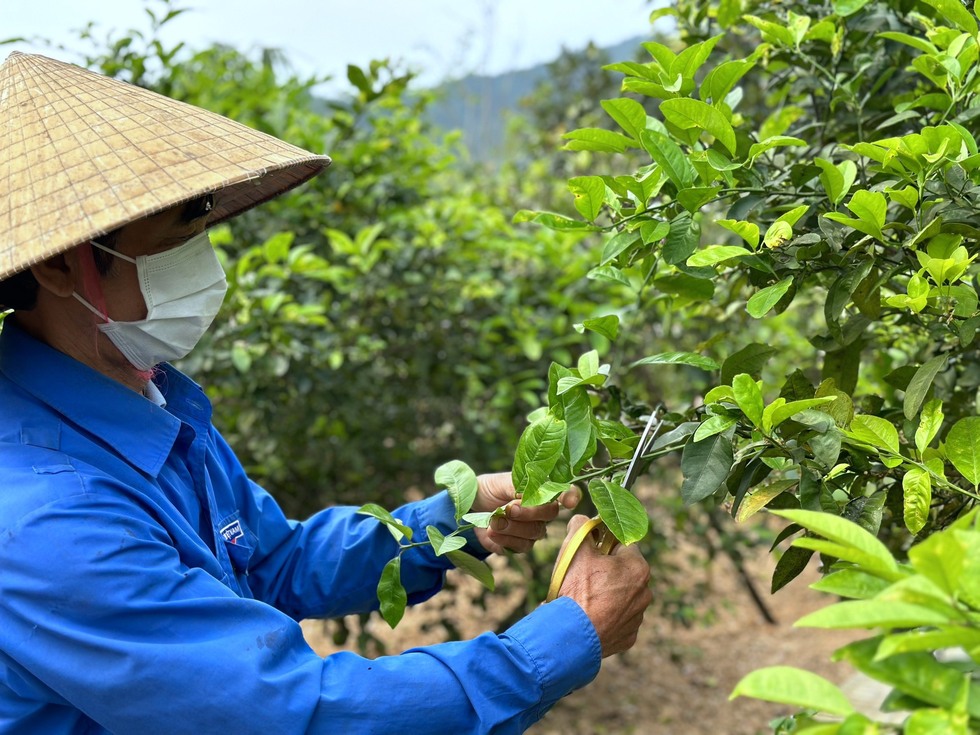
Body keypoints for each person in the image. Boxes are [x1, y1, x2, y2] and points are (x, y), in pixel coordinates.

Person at [0, 51, 652, 734]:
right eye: (176, 236)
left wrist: (455, 520)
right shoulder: (47, 520)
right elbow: (296, 713)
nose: (204, 260)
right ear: (59, 264)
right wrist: (563, 639)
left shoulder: (149, 400)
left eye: (202, 229)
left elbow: (275, 560)